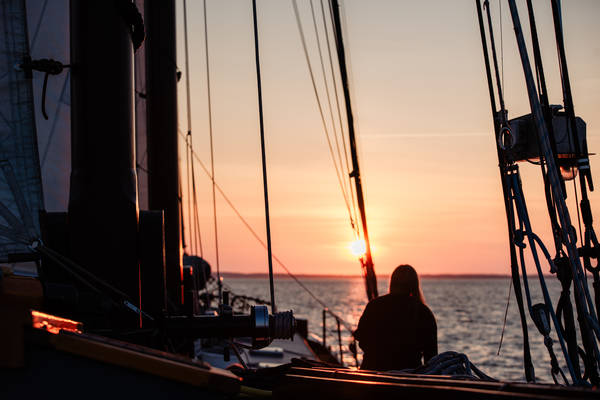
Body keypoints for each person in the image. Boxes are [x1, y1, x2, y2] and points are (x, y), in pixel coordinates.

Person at [354, 264, 437, 371]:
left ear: (392, 282)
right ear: (414, 284)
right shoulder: (423, 312)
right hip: (409, 377)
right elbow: (431, 357)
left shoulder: (374, 305)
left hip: (372, 372)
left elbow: (361, 337)